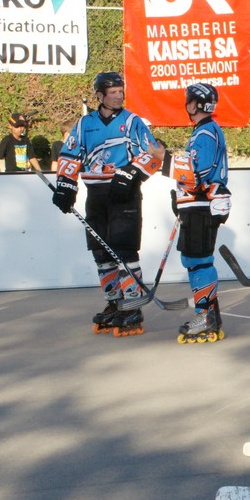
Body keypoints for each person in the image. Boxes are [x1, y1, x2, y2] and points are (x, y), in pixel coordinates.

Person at [51, 71, 160, 338]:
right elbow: (70, 155)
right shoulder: (84, 124)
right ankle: (115, 302)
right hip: (96, 195)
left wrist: (132, 174)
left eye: (121, 91)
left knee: (124, 250)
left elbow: (155, 154)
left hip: (124, 194)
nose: (119, 96)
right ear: (100, 95)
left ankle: (132, 307)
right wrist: (66, 186)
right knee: (101, 252)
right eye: (113, 92)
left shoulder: (132, 121)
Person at [170, 84, 232, 343]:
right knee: (194, 259)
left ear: (194, 104)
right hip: (196, 205)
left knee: (199, 260)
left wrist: (164, 160)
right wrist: (179, 199)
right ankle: (208, 314)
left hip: (202, 206)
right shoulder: (203, 131)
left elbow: (198, 173)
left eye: (189, 101)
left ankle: (205, 316)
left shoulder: (206, 132)